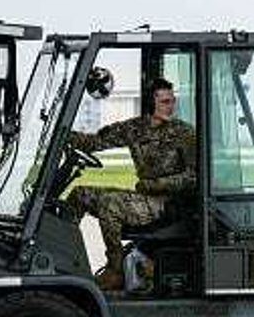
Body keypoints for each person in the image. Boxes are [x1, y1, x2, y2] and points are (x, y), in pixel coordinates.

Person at [64, 78, 196, 291]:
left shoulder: (184, 133)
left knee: (111, 203)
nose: (170, 107)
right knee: (81, 193)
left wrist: (157, 184)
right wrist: (63, 136)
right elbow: (96, 141)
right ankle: (65, 256)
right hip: (142, 196)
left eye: (172, 101)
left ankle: (115, 270)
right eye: (164, 102)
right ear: (150, 104)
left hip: (164, 202)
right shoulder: (134, 128)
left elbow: (193, 177)